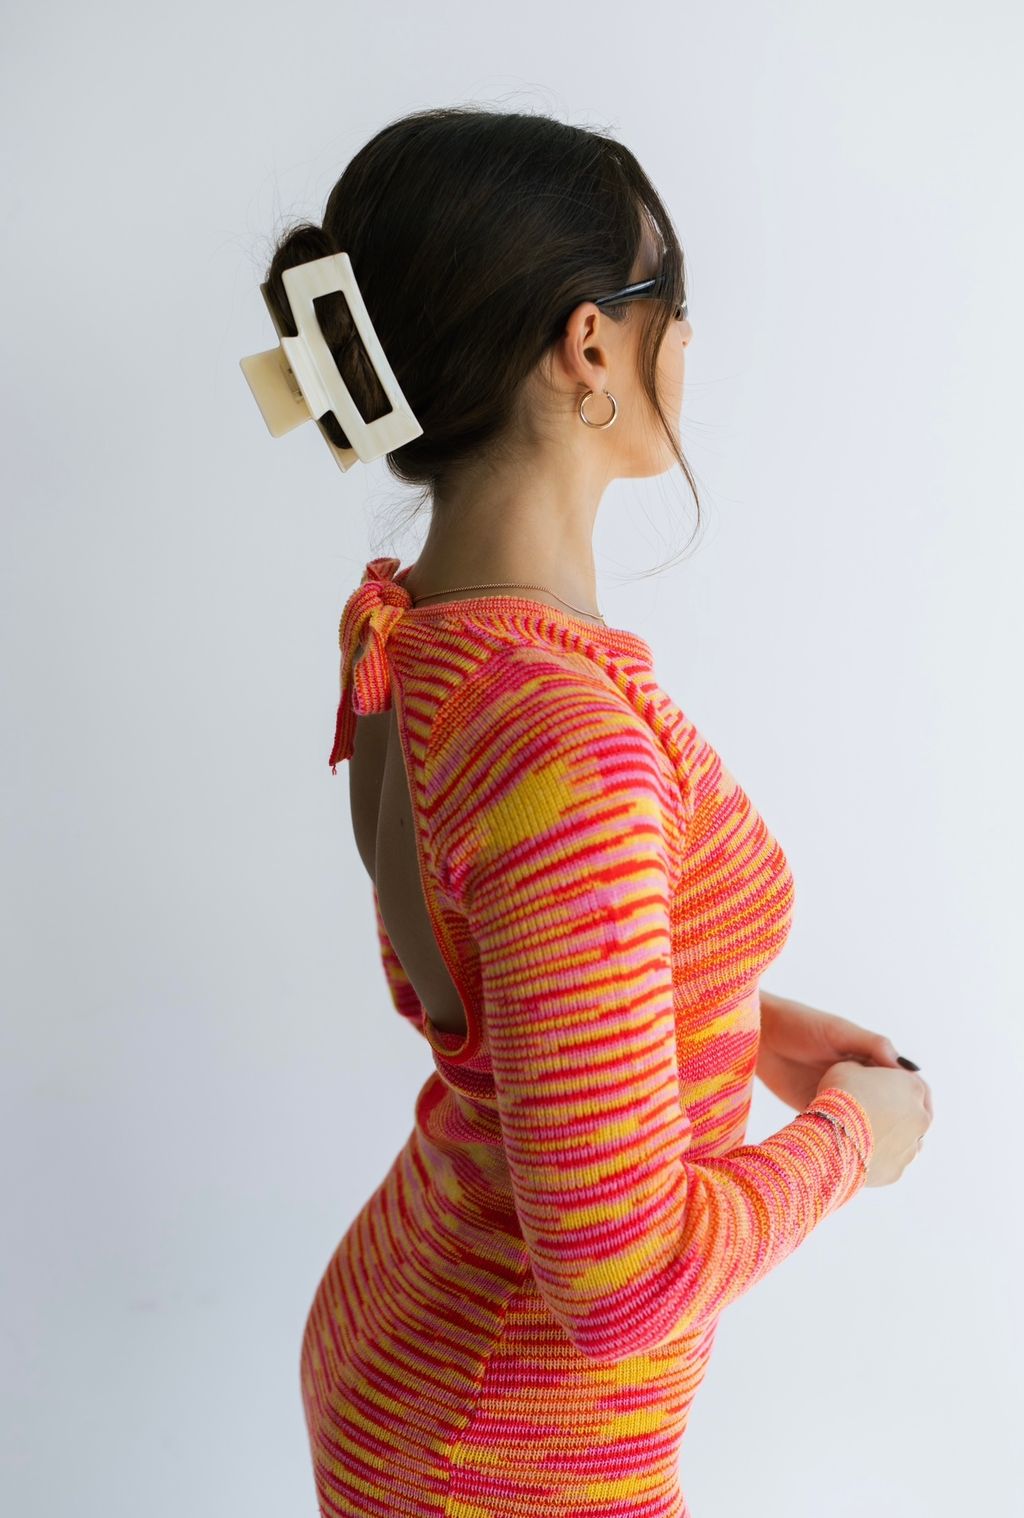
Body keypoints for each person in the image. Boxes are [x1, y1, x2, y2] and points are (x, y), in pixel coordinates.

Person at [242, 104, 933, 1518]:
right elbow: (626, 1287)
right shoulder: (566, 738)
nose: (692, 334)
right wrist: (858, 1140)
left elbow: (505, 979)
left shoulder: (410, 631)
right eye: (670, 293)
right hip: (509, 1452)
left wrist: (738, 1019)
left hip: (422, 1344)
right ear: (589, 345)